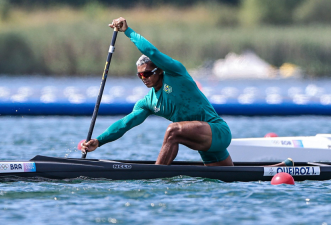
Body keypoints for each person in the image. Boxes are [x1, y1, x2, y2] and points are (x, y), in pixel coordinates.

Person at [81, 17, 234, 166]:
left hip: (217, 131)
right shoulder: (148, 102)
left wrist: (127, 31)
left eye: (147, 73)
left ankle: (156, 175)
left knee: (172, 131)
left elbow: (152, 52)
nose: (143, 78)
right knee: (229, 179)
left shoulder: (176, 73)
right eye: (140, 75)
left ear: (159, 70)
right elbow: (125, 123)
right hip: (202, 139)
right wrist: (100, 141)